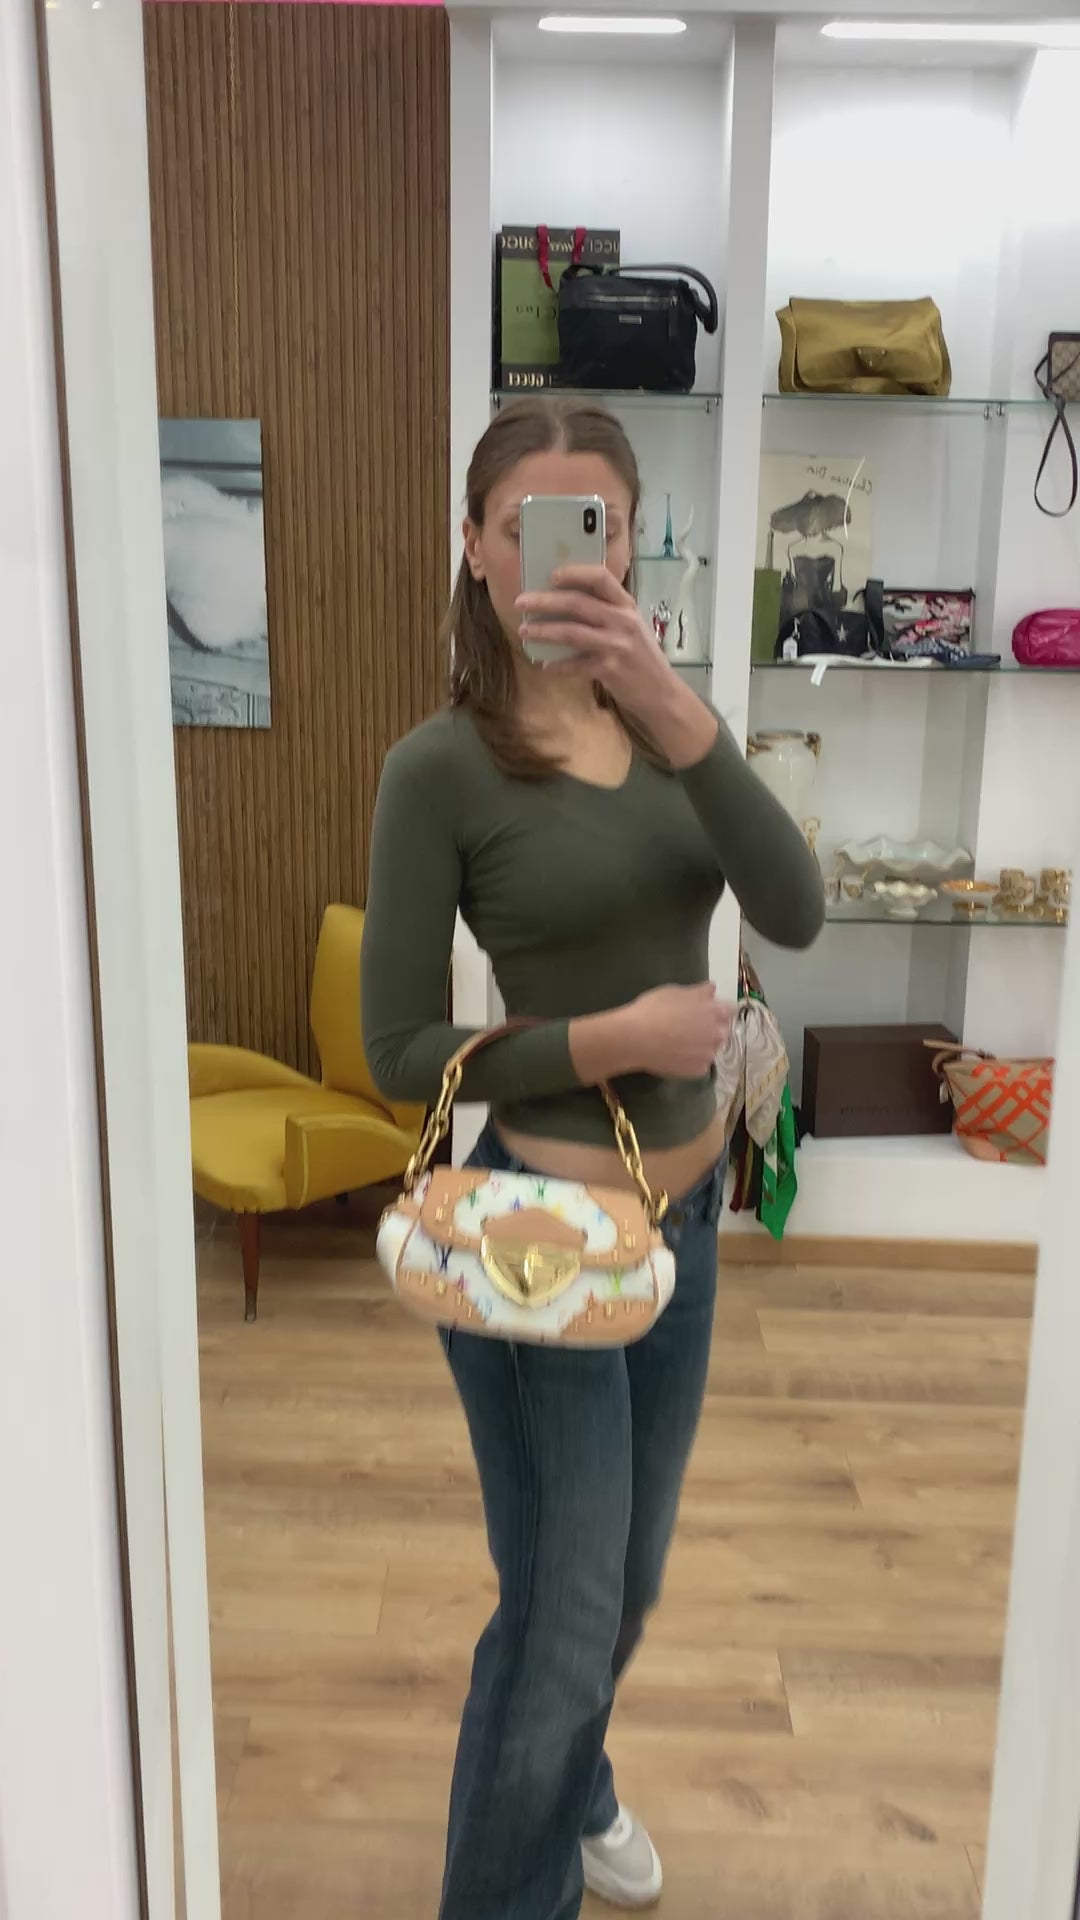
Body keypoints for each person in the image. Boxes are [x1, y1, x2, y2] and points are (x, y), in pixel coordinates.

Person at [361, 397, 823, 1920]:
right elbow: (400, 1053)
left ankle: (579, 1782)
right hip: (538, 1243)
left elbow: (797, 908)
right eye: (527, 528)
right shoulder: (439, 770)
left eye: (598, 528)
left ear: (630, 545)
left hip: (679, 1243)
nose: (565, 558)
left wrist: (678, 707)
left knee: (625, 1584)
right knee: (561, 1617)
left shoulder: (676, 734)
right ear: (477, 550)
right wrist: (613, 1037)